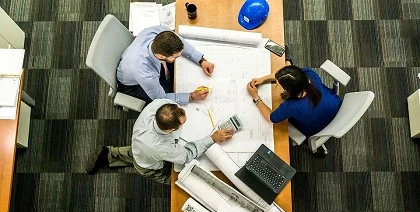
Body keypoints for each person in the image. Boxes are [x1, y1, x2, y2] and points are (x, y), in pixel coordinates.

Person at [86, 99, 234, 184]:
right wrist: (212, 138)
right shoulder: (162, 147)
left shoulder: (159, 105)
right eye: (183, 123)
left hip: (140, 145)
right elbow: (187, 155)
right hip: (149, 165)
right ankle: (111, 156)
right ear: (170, 130)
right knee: (177, 179)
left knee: (137, 152)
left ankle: (109, 154)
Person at [246, 59, 341, 152]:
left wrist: (256, 97)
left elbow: (271, 118)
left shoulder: (291, 106)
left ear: (289, 90)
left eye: (279, 84)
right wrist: (262, 79)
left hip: (317, 128)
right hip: (335, 107)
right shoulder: (310, 74)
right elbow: (289, 73)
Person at [116, 25, 215, 105]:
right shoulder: (145, 73)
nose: (179, 57)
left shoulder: (159, 32)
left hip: (135, 61)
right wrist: (191, 96)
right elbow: (161, 98)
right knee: (167, 101)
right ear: (161, 56)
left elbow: (181, 43)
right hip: (132, 86)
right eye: (175, 57)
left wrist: (201, 60)